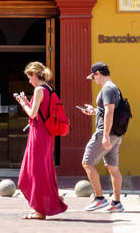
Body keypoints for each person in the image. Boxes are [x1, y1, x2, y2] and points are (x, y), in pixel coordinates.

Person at [13, 62, 68, 220]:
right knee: (43, 170)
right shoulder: (49, 89)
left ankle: (40, 209)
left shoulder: (38, 90)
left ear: (36, 75)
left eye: (30, 77)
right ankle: (44, 204)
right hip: (46, 134)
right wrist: (28, 102)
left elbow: (32, 114)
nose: (29, 81)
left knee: (34, 172)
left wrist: (23, 103)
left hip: (38, 135)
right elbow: (41, 113)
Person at [78, 62, 124, 213]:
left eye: (93, 78)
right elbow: (107, 111)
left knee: (87, 163)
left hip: (106, 133)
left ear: (97, 74)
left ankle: (99, 199)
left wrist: (105, 136)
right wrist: (95, 111)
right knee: (113, 167)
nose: (94, 81)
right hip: (116, 134)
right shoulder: (114, 88)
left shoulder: (107, 89)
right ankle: (116, 203)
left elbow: (110, 112)